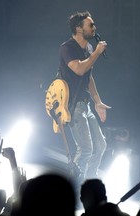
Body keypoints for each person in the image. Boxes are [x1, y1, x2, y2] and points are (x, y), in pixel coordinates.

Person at [56, 10, 111, 183]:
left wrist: (98, 101)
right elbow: (79, 68)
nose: (94, 28)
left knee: (100, 146)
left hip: (86, 105)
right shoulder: (67, 48)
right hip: (73, 105)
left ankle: (89, 185)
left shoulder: (86, 49)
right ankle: (75, 187)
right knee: (86, 149)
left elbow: (88, 76)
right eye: (91, 25)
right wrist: (96, 53)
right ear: (79, 29)